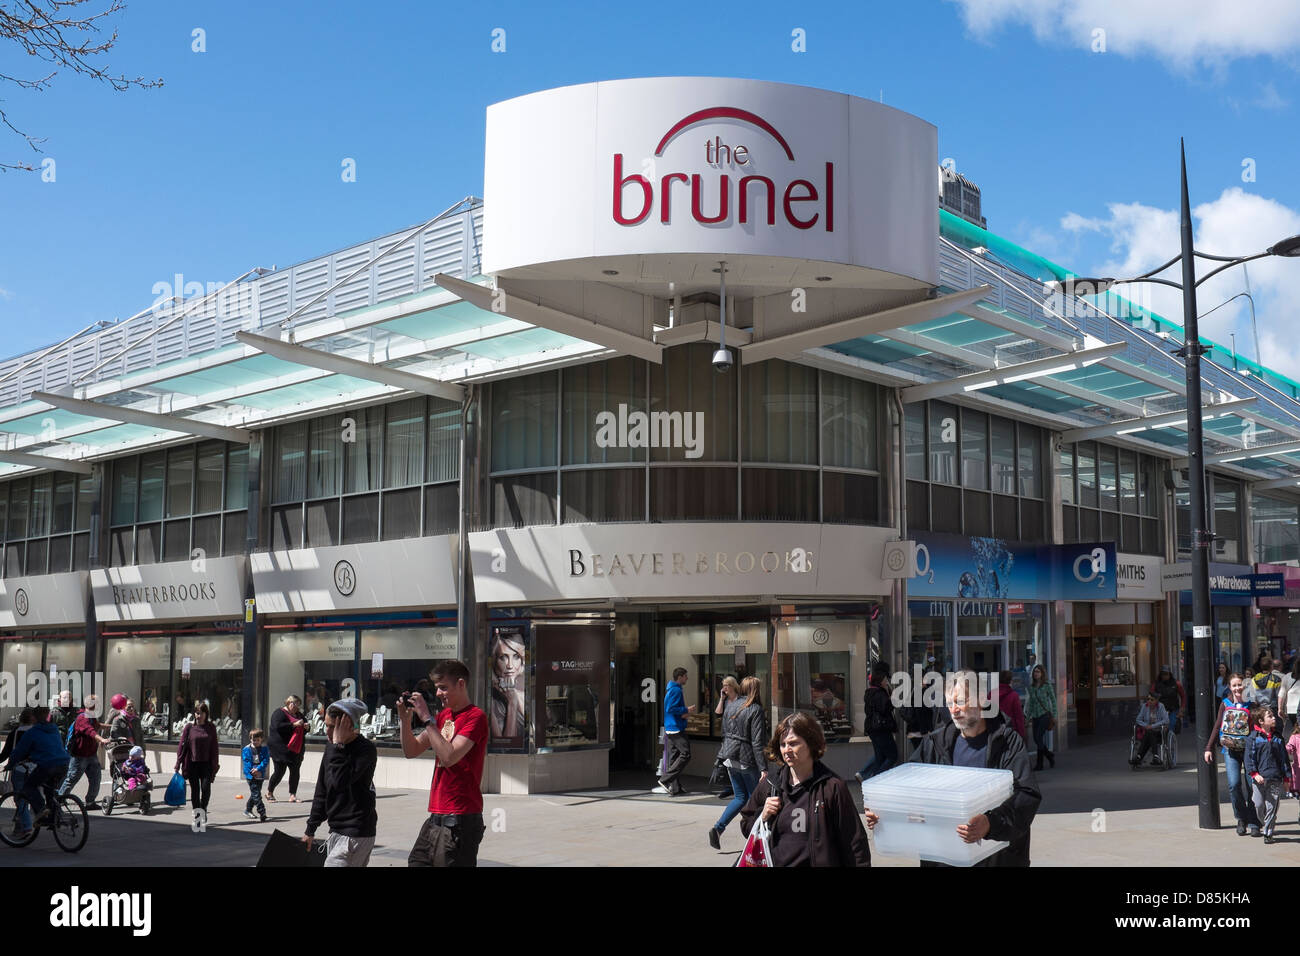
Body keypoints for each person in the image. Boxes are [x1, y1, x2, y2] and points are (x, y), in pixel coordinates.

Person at [865, 671, 1041, 867]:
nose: (954, 709)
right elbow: (909, 794)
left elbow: (1027, 795)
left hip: (997, 858)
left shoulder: (1008, 742)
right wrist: (884, 813)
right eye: (949, 703)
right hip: (944, 858)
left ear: (981, 700)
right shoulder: (934, 744)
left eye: (959, 701)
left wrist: (991, 823)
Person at [737, 712, 870, 867]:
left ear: (811, 743)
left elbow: (854, 843)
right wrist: (763, 816)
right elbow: (746, 827)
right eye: (782, 744)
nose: (786, 750)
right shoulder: (770, 785)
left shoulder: (832, 787)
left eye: (793, 743)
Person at [399, 659, 488, 867]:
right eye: (436, 688)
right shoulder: (443, 716)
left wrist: (427, 718)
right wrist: (405, 721)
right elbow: (411, 750)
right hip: (435, 817)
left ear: (461, 684)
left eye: (443, 688)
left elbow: (449, 757)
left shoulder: (476, 717)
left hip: (460, 818)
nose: (438, 693)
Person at [303, 699, 378, 867]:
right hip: (336, 829)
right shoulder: (332, 748)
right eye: (326, 725)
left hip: (356, 831)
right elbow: (322, 789)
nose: (327, 731)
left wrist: (339, 746)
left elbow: (340, 781)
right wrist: (311, 829)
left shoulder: (365, 749)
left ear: (347, 724)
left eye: (332, 727)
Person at [708, 676, 767, 850]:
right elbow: (757, 742)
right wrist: (763, 767)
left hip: (729, 756)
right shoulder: (755, 709)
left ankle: (718, 829)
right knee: (754, 800)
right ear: (756, 690)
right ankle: (755, 838)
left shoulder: (731, 704)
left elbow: (724, 732)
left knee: (740, 797)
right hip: (746, 760)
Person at [1204, 673, 1260, 836]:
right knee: (1234, 784)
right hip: (1230, 751)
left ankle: (1254, 820)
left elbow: (1259, 726)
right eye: (1234, 685)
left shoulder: (1252, 704)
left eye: (1240, 684)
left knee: (1252, 787)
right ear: (1229, 687)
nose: (1237, 688)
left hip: (1250, 751)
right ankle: (1241, 818)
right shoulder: (1225, 703)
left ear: (1245, 685)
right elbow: (1217, 726)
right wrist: (1209, 747)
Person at [9, 706, 70, 836]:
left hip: (47, 765)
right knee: (49, 789)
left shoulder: (32, 732)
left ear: (34, 718)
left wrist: (10, 764)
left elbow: (19, 751)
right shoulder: (54, 729)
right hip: (63, 764)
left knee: (29, 787)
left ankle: (42, 811)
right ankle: (54, 817)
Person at [1245, 704, 1290, 845]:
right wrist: (1254, 773)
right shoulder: (1253, 738)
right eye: (1269, 716)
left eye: (1273, 715)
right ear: (1261, 721)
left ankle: (1268, 832)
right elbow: (1249, 758)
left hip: (1275, 778)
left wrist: (1287, 778)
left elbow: (1284, 759)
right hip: (1259, 779)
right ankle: (1267, 822)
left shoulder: (1278, 738)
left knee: (1272, 805)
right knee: (1258, 805)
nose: (1273, 718)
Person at [57, 693, 111, 810]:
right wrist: (102, 739)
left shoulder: (91, 716)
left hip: (91, 754)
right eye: (97, 703)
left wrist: (110, 726)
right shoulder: (83, 717)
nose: (99, 705)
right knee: (72, 779)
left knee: (96, 778)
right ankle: (58, 800)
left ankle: (90, 802)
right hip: (79, 756)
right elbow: (90, 731)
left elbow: (96, 726)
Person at [175, 701, 220, 831]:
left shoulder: (211, 728)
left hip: (206, 764)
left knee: (205, 789)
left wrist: (215, 764)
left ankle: (203, 808)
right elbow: (182, 747)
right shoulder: (189, 728)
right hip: (192, 764)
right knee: (195, 791)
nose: (198, 716)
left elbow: (214, 748)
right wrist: (178, 763)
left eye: (201, 713)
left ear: (206, 714)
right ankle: (198, 817)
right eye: (196, 713)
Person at [654, 666, 696, 796]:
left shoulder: (672, 689)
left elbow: (671, 709)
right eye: (685, 676)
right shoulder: (676, 690)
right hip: (675, 728)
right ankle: (665, 780)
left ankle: (675, 787)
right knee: (685, 754)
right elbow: (671, 708)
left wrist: (684, 712)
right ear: (680, 677)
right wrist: (686, 710)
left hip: (671, 727)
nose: (687, 678)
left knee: (674, 757)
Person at [855, 662, 898, 783]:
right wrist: (890, 697)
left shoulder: (870, 692)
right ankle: (875, 778)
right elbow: (885, 708)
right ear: (880, 681)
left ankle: (865, 775)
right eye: (885, 679)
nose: (886, 681)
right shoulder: (879, 693)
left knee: (879, 757)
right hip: (881, 728)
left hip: (873, 728)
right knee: (892, 756)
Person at [0, 708, 37, 835]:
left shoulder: (16, 732)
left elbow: (6, 753)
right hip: (37, 769)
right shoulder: (38, 732)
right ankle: (23, 824)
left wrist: (7, 764)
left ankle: (25, 826)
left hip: (20, 768)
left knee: (20, 798)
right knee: (34, 795)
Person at [267, 695, 308, 803]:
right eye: (294, 704)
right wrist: (294, 724)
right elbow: (278, 726)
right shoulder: (279, 713)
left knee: (295, 771)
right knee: (279, 771)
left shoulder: (299, 714)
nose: (296, 707)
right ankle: (270, 792)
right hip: (280, 748)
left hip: (296, 748)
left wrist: (307, 727)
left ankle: (292, 795)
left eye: (298, 704)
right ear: (288, 703)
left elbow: (305, 725)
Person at [488, 631, 526, 741]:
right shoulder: (490, 700)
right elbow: (505, 744)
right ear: (495, 661)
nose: (510, 665)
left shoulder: (526, 693)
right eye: (503, 657)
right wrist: (512, 703)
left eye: (516, 657)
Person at [1024, 664, 1057, 770]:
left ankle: (1039, 764)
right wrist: (1028, 717)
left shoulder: (1047, 685)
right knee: (1037, 739)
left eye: (1038, 672)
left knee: (1038, 737)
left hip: (1045, 715)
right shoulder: (1032, 687)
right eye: (1035, 672)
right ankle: (1049, 755)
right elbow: (1031, 704)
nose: (1036, 673)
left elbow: (1053, 700)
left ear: (1042, 673)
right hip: (1035, 716)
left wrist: (1055, 715)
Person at [1131, 692, 1169, 768]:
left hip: (1159, 732)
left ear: (1156, 701)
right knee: (1149, 733)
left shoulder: (1161, 706)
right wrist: (1146, 725)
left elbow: (1166, 720)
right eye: (1148, 699)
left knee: (1149, 733)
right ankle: (1155, 756)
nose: (1149, 701)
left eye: (1152, 699)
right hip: (1148, 732)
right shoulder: (1145, 706)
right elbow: (1138, 719)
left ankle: (1139, 756)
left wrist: (1152, 726)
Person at [242, 729, 270, 822]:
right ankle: (262, 812)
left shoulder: (264, 749)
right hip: (251, 775)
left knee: (255, 794)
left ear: (261, 739)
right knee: (256, 794)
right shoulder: (246, 749)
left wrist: (258, 769)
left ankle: (248, 810)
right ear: (250, 739)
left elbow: (265, 760)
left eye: (258, 740)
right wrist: (252, 771)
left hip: (260, 774)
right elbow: (246, 762)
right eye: (254, 740)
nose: (256, 742)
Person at [1150, 666, 1186, 735]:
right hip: (1160, 710)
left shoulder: (1176, 683)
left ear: (1170, 674)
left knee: (1171, 726)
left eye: (1166, 674)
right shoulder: (1156, 684)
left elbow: (1183, 696)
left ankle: (1170, 740)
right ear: (1160, 675)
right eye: (1163, 674)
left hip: (1173, 709)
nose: (1164, 676)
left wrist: (1182, 709)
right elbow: (1151, 696)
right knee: (1158, 728)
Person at [997, 670, 1027, 740]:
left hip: (996, 731)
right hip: (1011, 732)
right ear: (1010, 681)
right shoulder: (1014, 695)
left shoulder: (991, 694)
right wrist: (1022, 734)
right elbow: (1018, 717)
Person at [1281, 657, 1300, 740]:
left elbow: (1281, 694)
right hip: (1297, 709)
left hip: (1290, 710)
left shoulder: (1287, 677)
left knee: (1288, 735)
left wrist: (1280, 708)